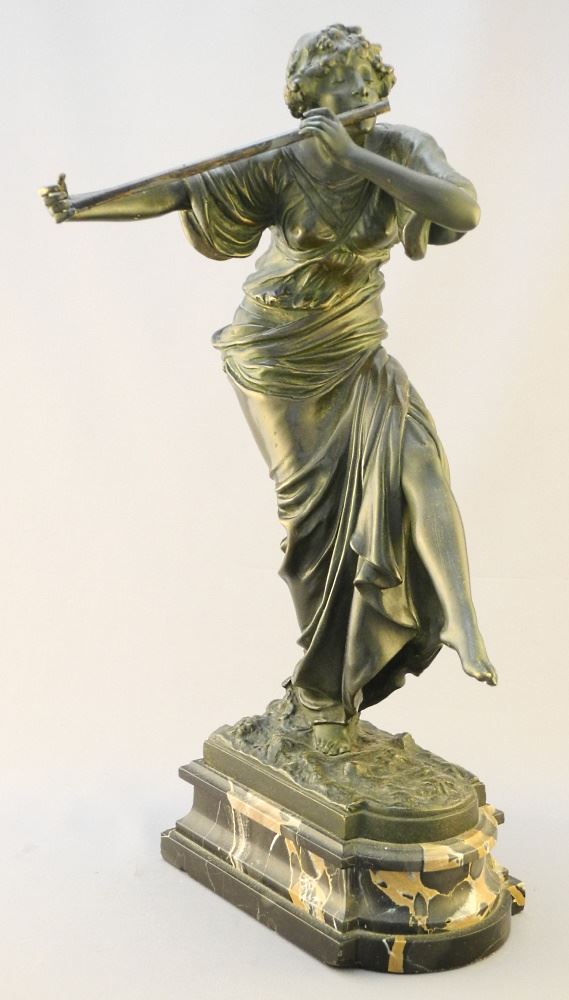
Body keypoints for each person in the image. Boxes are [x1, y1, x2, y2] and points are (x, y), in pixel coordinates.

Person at [41, 24, 497, 755]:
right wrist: (85, 205)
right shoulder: (285, 161)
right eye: (340, 87)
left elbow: (462, 208)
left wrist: (355, 157)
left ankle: (462, 620)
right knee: (315, 527)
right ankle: (321, 693)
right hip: (275, 355)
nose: (360, 94)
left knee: (418, 460)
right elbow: (180, 188)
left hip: (353, 343)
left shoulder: (403, 149)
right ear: (308, 102)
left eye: (367, 81)